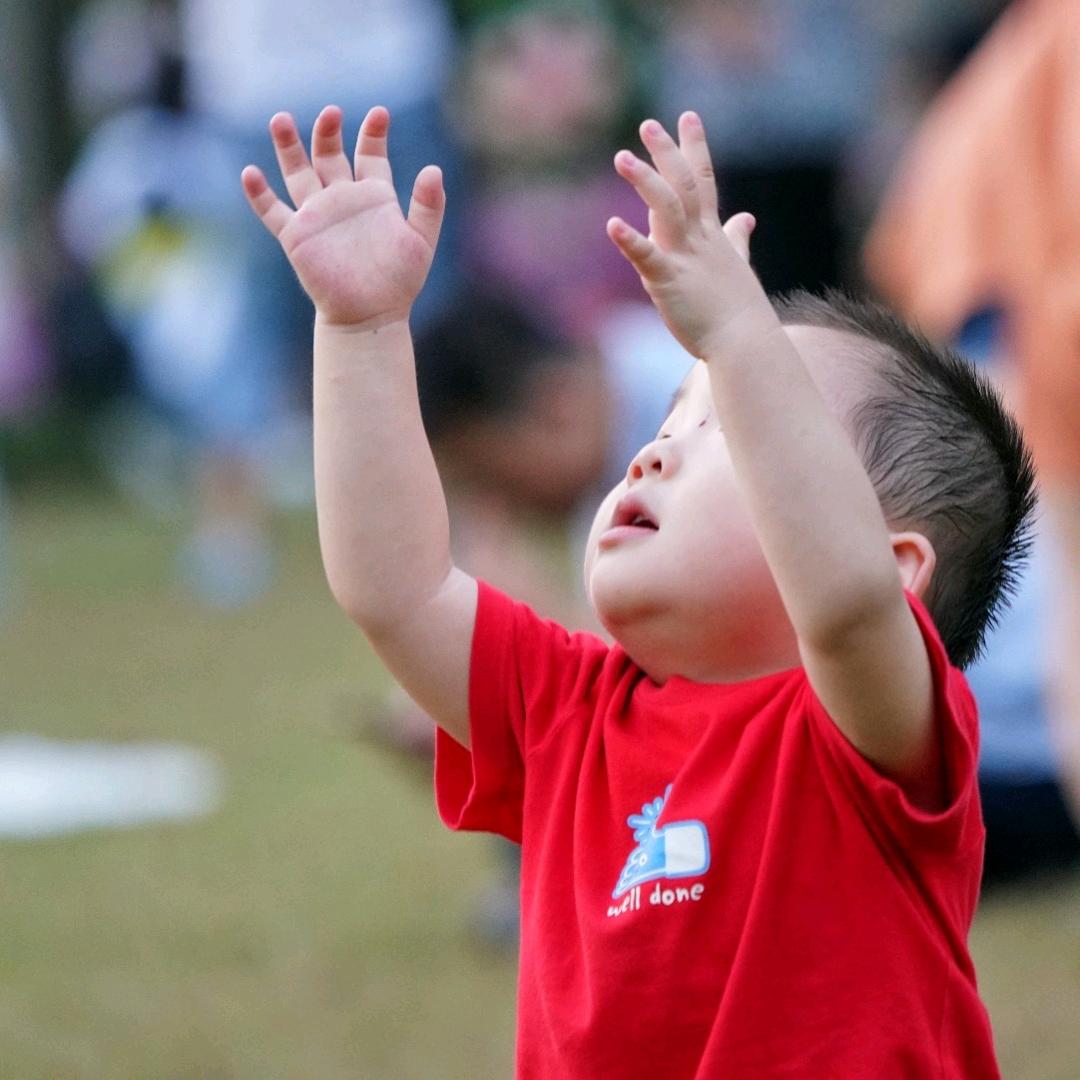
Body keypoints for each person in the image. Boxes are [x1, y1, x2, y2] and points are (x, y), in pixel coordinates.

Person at [242, 103, 1033, 1076]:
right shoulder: (570, 707)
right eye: (669, 424)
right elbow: (394, 589)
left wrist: (742, 335)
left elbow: (841, 601)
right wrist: (360, 330)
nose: (654, 457)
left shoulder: (868, 740)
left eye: (726, 435)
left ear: (898, 569)